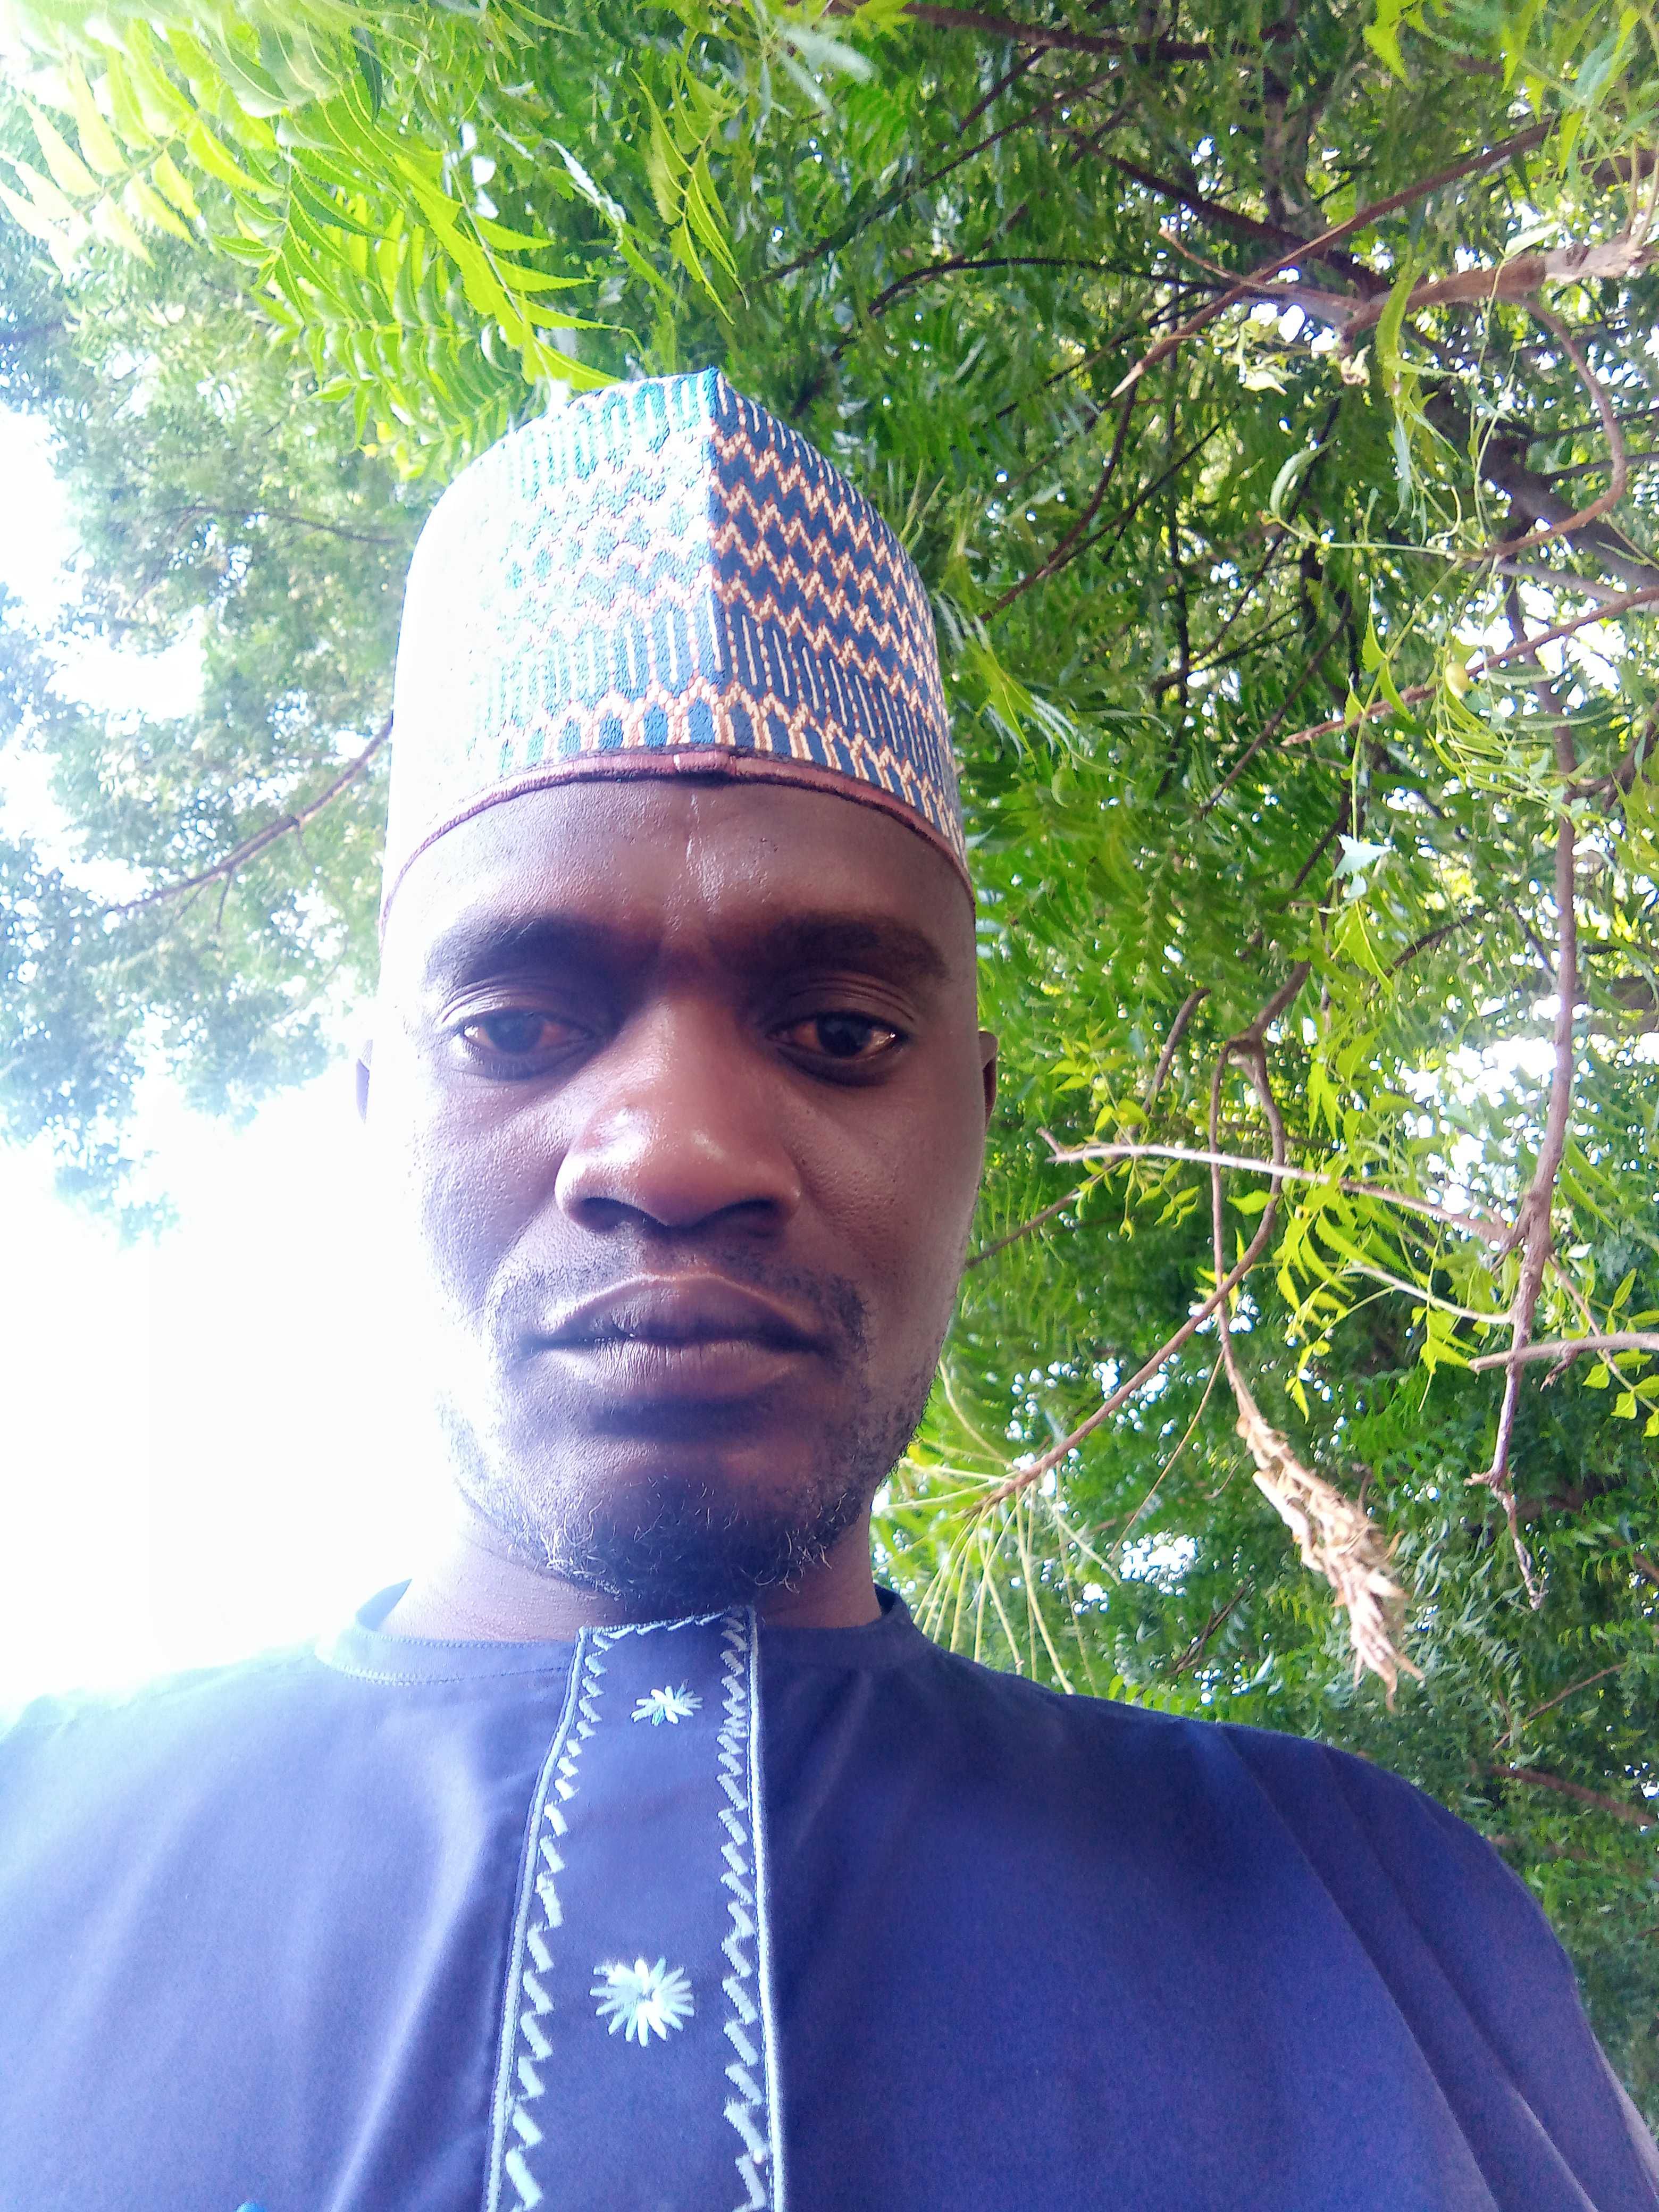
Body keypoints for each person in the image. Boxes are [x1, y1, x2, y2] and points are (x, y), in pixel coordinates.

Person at [0, 367, 1653, 2212]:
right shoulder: (25, 1841)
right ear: (378, 1117)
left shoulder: (1379, 1914)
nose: (677, 1149)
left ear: (974, 1123)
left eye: (844, 1030)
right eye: (516, 1026)